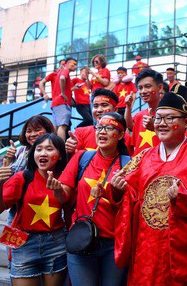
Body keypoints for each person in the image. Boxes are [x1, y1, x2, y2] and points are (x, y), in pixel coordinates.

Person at [110, 84, 187, 285]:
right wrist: (118, 191)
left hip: (181, 249)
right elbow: (129, 193)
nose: (162, 123)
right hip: (146, 247)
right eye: (159, 118)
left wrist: (183, 198)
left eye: (170, 118)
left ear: (186, 122)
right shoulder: (144, 156)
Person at [54, 113, 130, 286]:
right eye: (99, 127)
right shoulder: (82, 157)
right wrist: (58, 190)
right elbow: (64, 195)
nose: (102, 132)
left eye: (109, 128)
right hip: (81, 238)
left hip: (114, 244)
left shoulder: (128, 164)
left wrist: (115, 193)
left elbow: (131, 205)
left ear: (120, 135)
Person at [0, 133, 68, 286]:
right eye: (38, 149)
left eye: (49, 149)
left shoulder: (66, 178)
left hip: (56, 243)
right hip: (24, 243)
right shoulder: (22, 178)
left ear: (59, 155)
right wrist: (0, 184)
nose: (43, 153)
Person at [65, 88, 133, 155]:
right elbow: (74, 160)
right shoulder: (80, 133)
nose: (99, 110)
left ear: (115, 110)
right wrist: (70, 151)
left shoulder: (125, 138)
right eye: (95, 106)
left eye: (104, 105)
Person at [124, 69, 163, 156]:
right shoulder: (139, 115)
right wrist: (128, 107)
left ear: (160, 87)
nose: (143, 91)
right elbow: (129, 126)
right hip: (139, 165)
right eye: (140, 88)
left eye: (148, 86)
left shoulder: (170, 115)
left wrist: (155, 127)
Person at [52, 57, 78, 141]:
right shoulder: (65, 71)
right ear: (66, 64)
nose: (75, 66)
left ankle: (55, 145)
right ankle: (61, 148)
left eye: (76, 64)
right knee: (62, 126)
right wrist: (63, 93)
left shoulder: (61, 72)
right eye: (73, 63)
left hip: (56, 103)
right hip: (62, 102)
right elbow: (62, 78)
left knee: (57, 127)